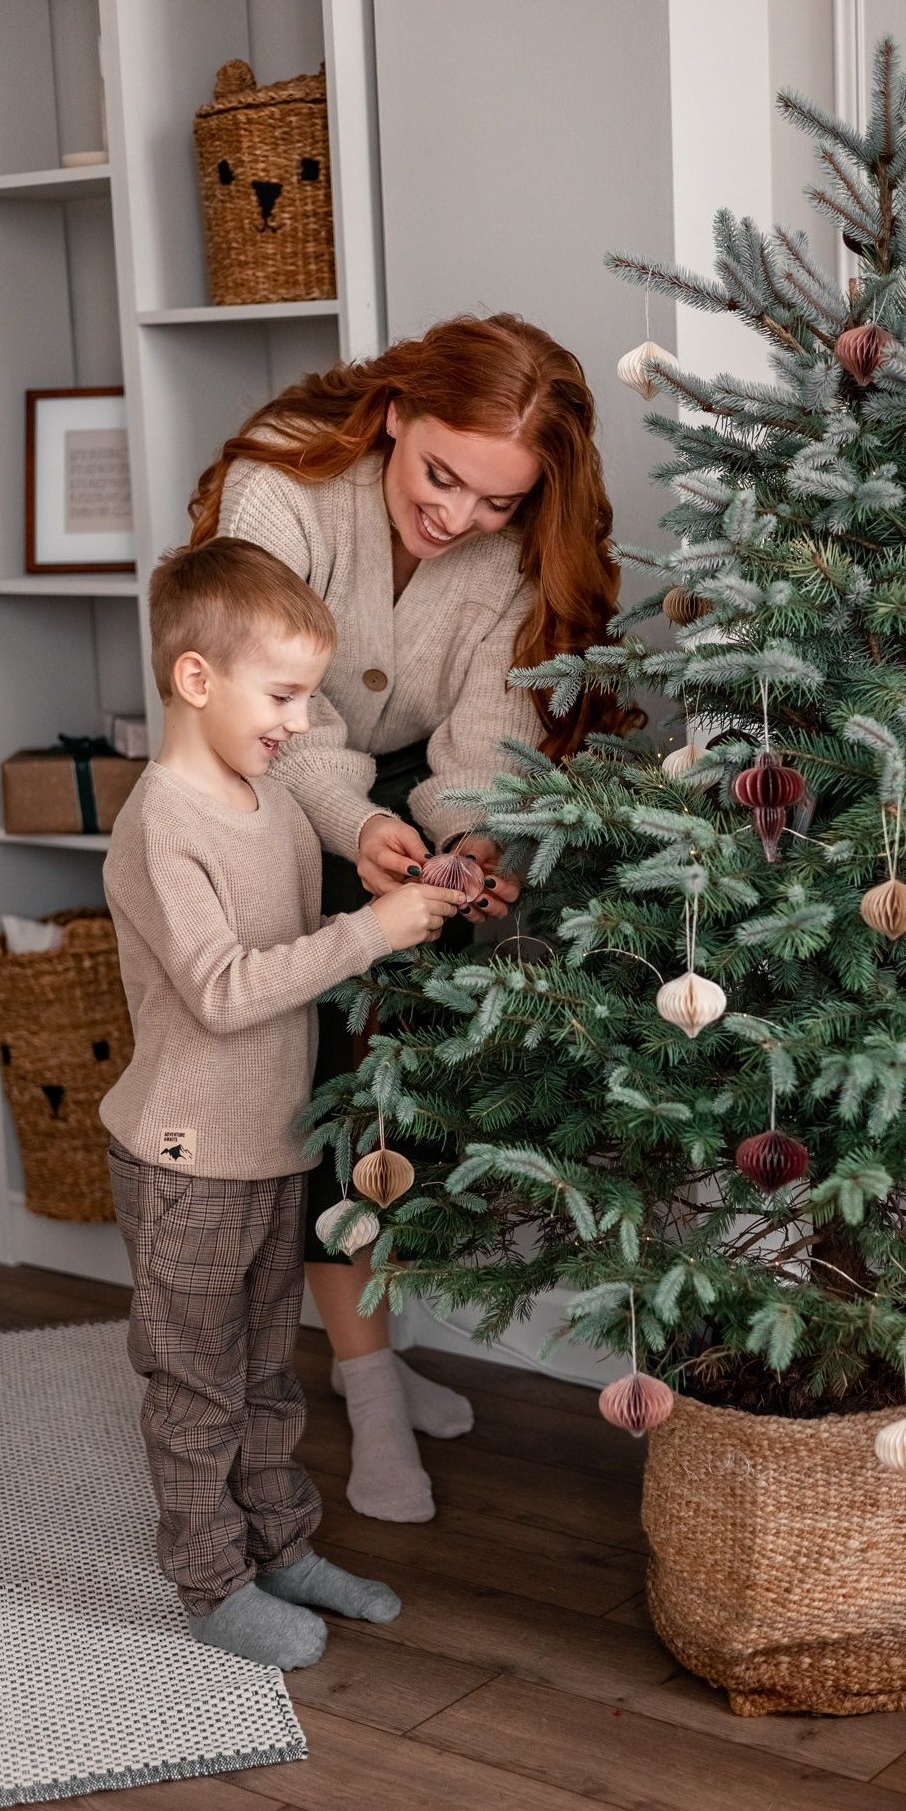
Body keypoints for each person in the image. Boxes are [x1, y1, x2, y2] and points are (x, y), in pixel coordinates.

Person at [188, 313, 633, 1522]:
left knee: (411, 1079)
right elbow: (271, 709)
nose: (456, 518)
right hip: (257, 782)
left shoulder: (511, 547)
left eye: (495, 502)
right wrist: (358, 835)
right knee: (327, 1077)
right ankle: (369, 1382)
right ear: (394, 411)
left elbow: (485, 739)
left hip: (399, 800)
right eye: (441, 476)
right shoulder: (277, 485)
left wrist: (474, 842)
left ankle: (372, 1347)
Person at [100, 538, 461, 1668]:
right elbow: (221, 991)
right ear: (196, 679)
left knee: (266, 1372)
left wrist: (388, 883)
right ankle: (210, 1581)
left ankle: (279, 1543)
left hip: (267, 1145)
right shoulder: (163, 826)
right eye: (285, 695)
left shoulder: (265, 802)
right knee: (196, 1384)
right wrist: (367, 934)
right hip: (185, 1155)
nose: (303, 723)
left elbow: (301, 941)